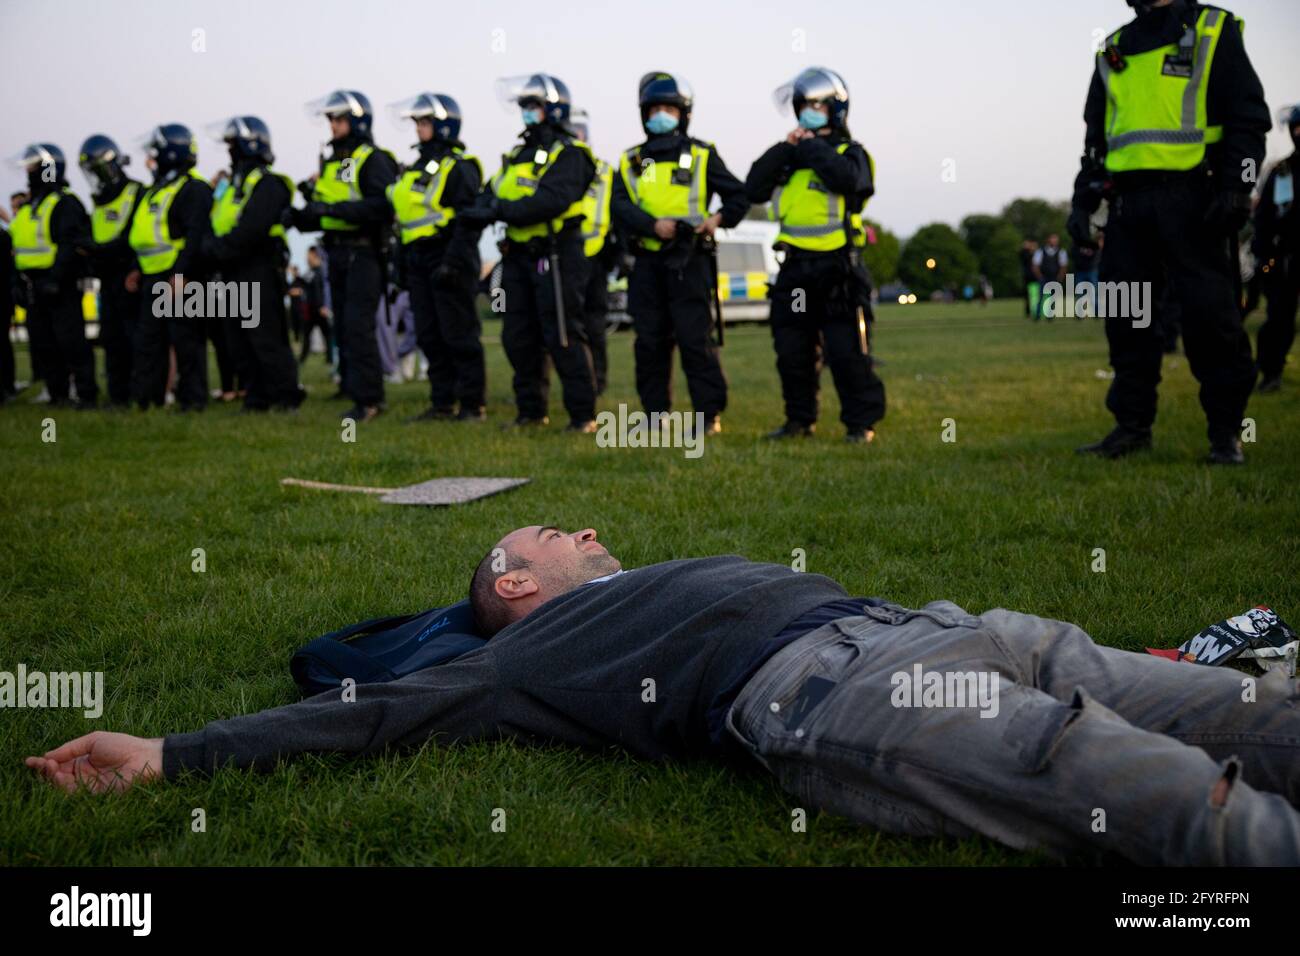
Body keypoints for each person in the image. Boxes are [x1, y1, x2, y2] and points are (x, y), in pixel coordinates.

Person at [27, 524, 1300, 867]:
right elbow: (367, 713)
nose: (589, 526)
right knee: (1164, 798)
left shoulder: (620, 582)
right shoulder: (529, 652)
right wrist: (173, 753)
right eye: (556, 533)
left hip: (961, 629)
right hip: (837, 693)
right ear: (516, 583)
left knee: (1253, 711)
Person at [1069, 0, 1270, 464]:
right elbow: (1097, 141)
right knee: (1127, 320)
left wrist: (1239, 185)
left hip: (1196, 200)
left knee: (1211, 320)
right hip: (1128, 205)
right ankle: (1132, 427)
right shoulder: (1113, 48)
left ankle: (1226, 436)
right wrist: (1085, 200)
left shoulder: (1211, 28)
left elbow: (1247, 116)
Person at [746, 66, 885, 444]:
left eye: (815, 105)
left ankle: (860, 424)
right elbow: (754, 187)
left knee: (847, 353)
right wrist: (785, 149)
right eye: (802, 105)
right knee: (793, 352)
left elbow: (850, 183)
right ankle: (798, 420)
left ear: (836, 109)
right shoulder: (790, 158)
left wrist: (809, 146)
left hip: (838, 270)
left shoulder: (851, 153)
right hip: (795, 270)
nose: (807, 111)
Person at [612, 72, 748, 436]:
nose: (661, 115)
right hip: (647, 263)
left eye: (669, 108)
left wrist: (717, 219)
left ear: (683, 113)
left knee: (694, 339)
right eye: (654, 109)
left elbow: (739, 194)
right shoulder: (632, 161)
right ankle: (655, 414)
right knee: (650, 342)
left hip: (689, 261)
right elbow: (619, 206)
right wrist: (650, 225)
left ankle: (708, 416)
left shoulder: (702, 154)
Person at [461, 73, 598, 431]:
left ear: (553, 109)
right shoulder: (517, 155)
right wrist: (480, 206)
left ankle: (583, 416)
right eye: (523, 106)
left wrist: (498, 209)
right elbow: (491, 193)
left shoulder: (571, 154)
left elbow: (550, 200)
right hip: (517, 257)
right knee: (518, 336)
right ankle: (531, 412)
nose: (526, 113)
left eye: (533, 106)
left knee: (563, 334)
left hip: (554, 255)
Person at [293, 90, 398, 424]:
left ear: (356, 120)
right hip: (336, 253)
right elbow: (326, 209)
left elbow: (382, 206)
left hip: (363, 253)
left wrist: (332, 209)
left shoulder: (373, 158)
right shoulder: (335, 161)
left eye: (338, 119)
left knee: (358, 327)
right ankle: (352, 387)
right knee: (342, 326)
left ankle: (369, 401)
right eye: (331, 120)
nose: (333, 126)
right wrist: (303, 213)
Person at [386, 92, 487, 423]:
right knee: (428, 334)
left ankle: (473, 405)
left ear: (444, 126)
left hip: (449, 255)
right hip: (418, 259)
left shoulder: (460, 167)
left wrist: (452, 262)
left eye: (425, 122)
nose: (418, 129)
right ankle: (442, 402)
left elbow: (468, 220)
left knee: (458, 333)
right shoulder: (415, 169)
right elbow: (406, 221)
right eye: (417, 122)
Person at [202, 116, 304, 413]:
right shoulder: (232, 185)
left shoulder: (268, 183)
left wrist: (217, 249)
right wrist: (213, 248)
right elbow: (216, 221)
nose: (229, 150)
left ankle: (286, 396)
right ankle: (256, 396)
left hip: (258, 267)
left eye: (233, 144)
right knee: (238, 339)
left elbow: (251, 228)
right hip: (232, 269)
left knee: (265, 336)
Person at [126, 124, 213, 412]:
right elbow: (145, 235)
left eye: (156, 152)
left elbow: (195, 235)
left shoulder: (193, 188)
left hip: (180, 278)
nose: (151, 158)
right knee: (148, 341)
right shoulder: (156, 190)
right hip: (152, 276)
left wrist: (182, 274)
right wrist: (137, 268)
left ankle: (193, 400)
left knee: (186, 341)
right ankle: (147, 399)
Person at [8, 143, 98, 409]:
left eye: (34, 165)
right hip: (33, 284)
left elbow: (69, 244)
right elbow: (17, 247)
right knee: (43, 343)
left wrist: (56, 279)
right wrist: (17, 282)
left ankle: (85, 394)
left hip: (59, 284)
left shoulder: (64, 202)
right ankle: (57, 393)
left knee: (72, 342)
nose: (28, 170)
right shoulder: (29, 205)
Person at [79, 135, 144, 409]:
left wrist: (132, 269)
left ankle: (137, 393)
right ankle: (117, 395)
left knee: (134, 338)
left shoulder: (136, 192)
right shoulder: (99, 201)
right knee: (111, 338)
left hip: (130, 278)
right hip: (107, 278)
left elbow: (138, 237)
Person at [570, 108, 622, 398]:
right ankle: (575, 381)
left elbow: (619, 215)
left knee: (594, 326)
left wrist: (619, 254)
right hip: (564, 257)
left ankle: (597, 381)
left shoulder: (604, 171)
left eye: (581, 130)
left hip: (596, 260)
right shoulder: (558, 167)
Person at [1251, 105, 1300, 392]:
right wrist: (1263, 255)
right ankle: (1270, 372)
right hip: (1284, 257)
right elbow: (1264, 217)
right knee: (1279, 318)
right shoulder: (1282, 171)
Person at [298, 245, 334, 367]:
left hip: (320, 309)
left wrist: (324, 306)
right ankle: (302, 359)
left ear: (314, 255)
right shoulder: (311, 272)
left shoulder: (322, 271)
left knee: (327, 335)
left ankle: (330, 359)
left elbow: (324, 291)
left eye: (308, 255)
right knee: (308, 335)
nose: (306, 258)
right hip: (311, 309)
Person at [1031, 233, 1068, 320]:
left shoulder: (1061, 252)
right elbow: (1035, 265)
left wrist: (1060, 277)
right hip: (1044, 277)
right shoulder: (1040, 251)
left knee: (1053, 298)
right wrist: (1040, 277)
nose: (1054, 241)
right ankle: (1037, 314)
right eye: (1052, 239)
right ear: (1048, 240)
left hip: (1054, 277)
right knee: (1040, 296)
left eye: (1056, 239)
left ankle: (1050, 315)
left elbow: (1063, 266)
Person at [1019, 238, 1040, 318]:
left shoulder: (1038, 253)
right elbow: (1021, 256)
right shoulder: (1025, 253)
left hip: (1037, 276)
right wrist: (1025, 248)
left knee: (1038, 294)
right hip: (1027, 276)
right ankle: (1028, 312)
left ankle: (1038, 310)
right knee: (1027, 295)